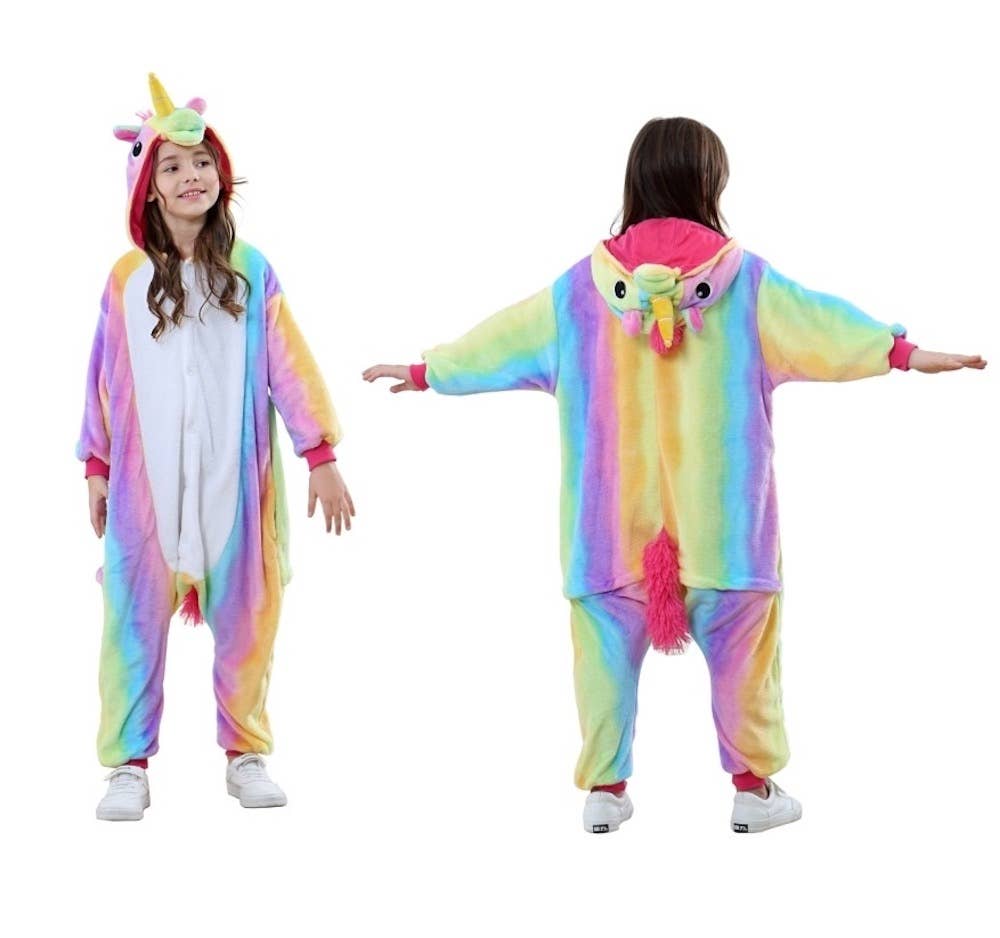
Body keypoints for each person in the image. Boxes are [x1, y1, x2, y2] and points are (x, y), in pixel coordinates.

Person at [363, 116, 986, 834]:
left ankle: (605, 792)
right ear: (709, 182)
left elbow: (497, 342)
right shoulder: (746, 286)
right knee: (745, 662)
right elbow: (825, 328)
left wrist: (428, 371)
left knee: (602, 666)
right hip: (724, 532)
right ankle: (753, 793)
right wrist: (901, 353)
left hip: (608, 532)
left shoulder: (580, 294)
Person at [78, 74, 355, 821]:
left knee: (248, 621)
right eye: (171, 166)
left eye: (202, 163)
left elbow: (289, 364)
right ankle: (127, 766)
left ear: (220, 177)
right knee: (132, 624)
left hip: (235, 483)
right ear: (148, 188)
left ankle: (245, 754)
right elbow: (103, 376)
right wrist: (97, 465)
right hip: (147, 494)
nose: (190, 176)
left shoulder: (250, 271)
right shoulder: (126, 281)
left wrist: (320, 454)